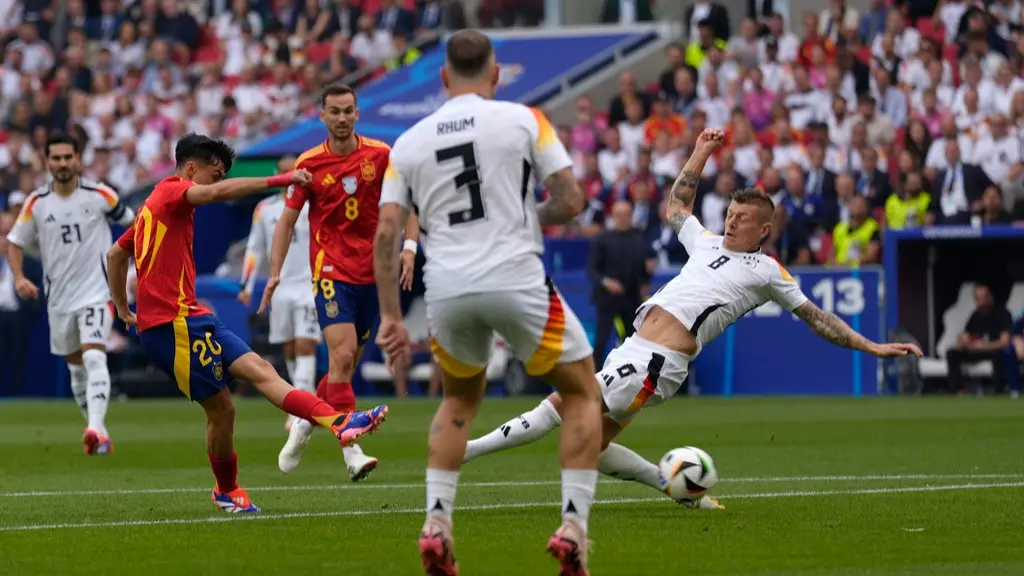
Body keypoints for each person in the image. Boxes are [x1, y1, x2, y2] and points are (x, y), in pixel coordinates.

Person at [462, 128, 923, 513]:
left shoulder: (767, 272)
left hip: (657, 363)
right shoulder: (705, 242)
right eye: (729, 213)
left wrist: (873, 347)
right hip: (636, 352)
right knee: (591, 448)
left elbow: (817, 319)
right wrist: (701, 152)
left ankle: (465, 451)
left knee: (559, 407)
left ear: (763, 230)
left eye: (742, 219)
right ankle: (684, 492)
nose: (731, 222)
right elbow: (677, 206)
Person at [374, 30, 603, 576]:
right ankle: (572, 526)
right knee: (581, 392)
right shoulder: (526, 120)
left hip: (448, 289)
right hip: (517, 278)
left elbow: (385, 237)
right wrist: (528, 218)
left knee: (457, 404)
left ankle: (435, 523)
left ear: (444, 77)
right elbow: (572, 198)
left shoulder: (408, 142)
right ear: (496, 75)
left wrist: (388, 316)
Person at [105, 133, 388, 514]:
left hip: (192, 317)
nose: (217, 182)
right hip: (171, 326)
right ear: (191, 168)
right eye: (214, 173)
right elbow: (211, 196)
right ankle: (227, 489)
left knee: (260, 370)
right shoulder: (170, 192)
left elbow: (116, 254)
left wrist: (123, 307)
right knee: (222, 409)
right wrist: (281, 180)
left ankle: (339, 423)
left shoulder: (153, 211)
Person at [262, 84, 418, 481]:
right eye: (335, 112)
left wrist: (410, 247)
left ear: (357, 113)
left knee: (341, 367)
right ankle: (352, 451)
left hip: (373, 275)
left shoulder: (381, 155)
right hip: (330, 272)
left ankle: (305, 420)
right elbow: (286, 221)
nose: (343, 119)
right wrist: (275, 270)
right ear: (322, 116)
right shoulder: (309, 163)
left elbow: (409, 202)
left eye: (349, 111)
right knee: (343, 355)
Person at [6, 131, 136, 455]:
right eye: (56, 158)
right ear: (48, 161)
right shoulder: (36, 203)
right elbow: (15, 242)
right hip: (59, 299)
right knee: (76, 369)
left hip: (97, 292)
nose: (63, 164)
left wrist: (130, 269)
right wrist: (19, 277)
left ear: (78, 159)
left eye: (68, 157)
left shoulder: (100, 195)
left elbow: (136, 226)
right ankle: (95, 429)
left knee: (94, 355)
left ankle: (95, 429)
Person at [238, 156, 322, 433]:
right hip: (281, 286)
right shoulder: (265, 209)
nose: (289, 178)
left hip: (311, 285)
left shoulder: (314, 205)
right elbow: (255, 248)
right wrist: (246, 285)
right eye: (284, 173)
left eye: (293, 173)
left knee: (305, 343)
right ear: (278, 175)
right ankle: (301, 402)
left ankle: (304, 409)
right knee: (289, 347)